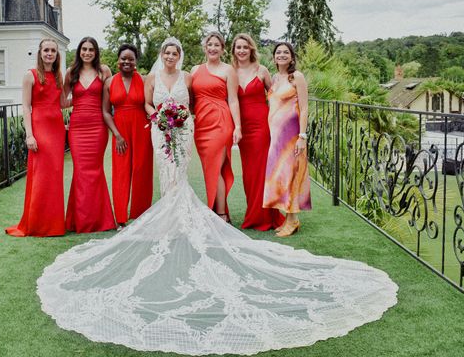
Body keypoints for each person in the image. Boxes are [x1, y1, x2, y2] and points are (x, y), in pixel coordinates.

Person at [37, 36, 398, 355]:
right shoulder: (155, 76)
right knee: (166, 175)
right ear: (162, 54)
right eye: (166, 51)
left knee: (190, 172)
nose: (170, 56)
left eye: (174, 51)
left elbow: (198, 101)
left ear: (180, 54)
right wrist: (161, 114)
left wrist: (187, 117)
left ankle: (225, 213)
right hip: (162, 129)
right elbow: (148, 103)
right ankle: (175, 214)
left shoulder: (193, 76)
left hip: (189, 127)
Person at [5, 39, 67, 237]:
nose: (50, 53)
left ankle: (55, 225)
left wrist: (88, 95)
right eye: (46, 50)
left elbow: (64, 103)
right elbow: (26, 107)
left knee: (55, 176)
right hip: (40, 129)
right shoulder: (30, 76)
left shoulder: (59, 76)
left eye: (53, 51)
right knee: (40, 176)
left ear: (57, 55)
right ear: (40, 53)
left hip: (57, 129)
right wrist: (29, 135)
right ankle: (37, 224)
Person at [232, 33, 284, 231]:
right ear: (234, 51)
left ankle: (267, 216)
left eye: (245, 47)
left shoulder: (261, 70)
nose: (242, 50)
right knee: (249, 173)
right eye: (239, 47)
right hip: (242, 126)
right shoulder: (230, 71)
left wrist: (281, 120)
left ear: (251, 49)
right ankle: (253, 214)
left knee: (263, 170)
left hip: (262, 125)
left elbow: (274, 96)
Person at [64, 37, 116, 233]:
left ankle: (99, 220)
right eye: (84, 49)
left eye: (91, 49)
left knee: (95, 170)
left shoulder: (104, 71)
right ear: (79, 51)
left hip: (97, 127)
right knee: (80, 170)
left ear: (96, 52)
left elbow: (110, 100)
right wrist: (78, 101)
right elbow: (62, 100)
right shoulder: (71, 72)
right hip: (77, 128)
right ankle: (79, 221)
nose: (87, 52)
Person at [191, 31, 241, 222]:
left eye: (216, 45)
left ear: (222, 49)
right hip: (201, 125)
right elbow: (189, 99)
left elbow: (234, 101)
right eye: (209, 44)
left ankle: (220, 215)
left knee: (216, 169)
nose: (212, 48)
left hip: (221, 122)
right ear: (205, 47)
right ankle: (218, 211)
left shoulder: (228, 70)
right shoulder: (195, 70)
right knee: (209, 169)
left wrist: (238, 127)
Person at [102, 44, 153, 228]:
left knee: (141, 170)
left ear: (136, 62)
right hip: (120, 131)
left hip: (142, 129)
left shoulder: (145, 80)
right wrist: (117, 135)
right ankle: (121, 218)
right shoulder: (109, 82)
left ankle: (141, 215)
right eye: (124, 58)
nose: (127, 62)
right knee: (121, 172)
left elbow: (151, 104)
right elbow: (106, 112)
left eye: (131, 59)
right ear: (118, 60)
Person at [264, 42, 311, 237]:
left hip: (292, 135)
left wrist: (302, 135)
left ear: (292, 57)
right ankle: (290, 219)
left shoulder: (296, 77)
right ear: (274, 57)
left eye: (286, 52)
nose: (281, 55)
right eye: (278, 52)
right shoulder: (275, 78)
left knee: (292, 174)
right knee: (282, 175)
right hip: (276, 136)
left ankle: (292, 221)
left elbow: (305, 108)